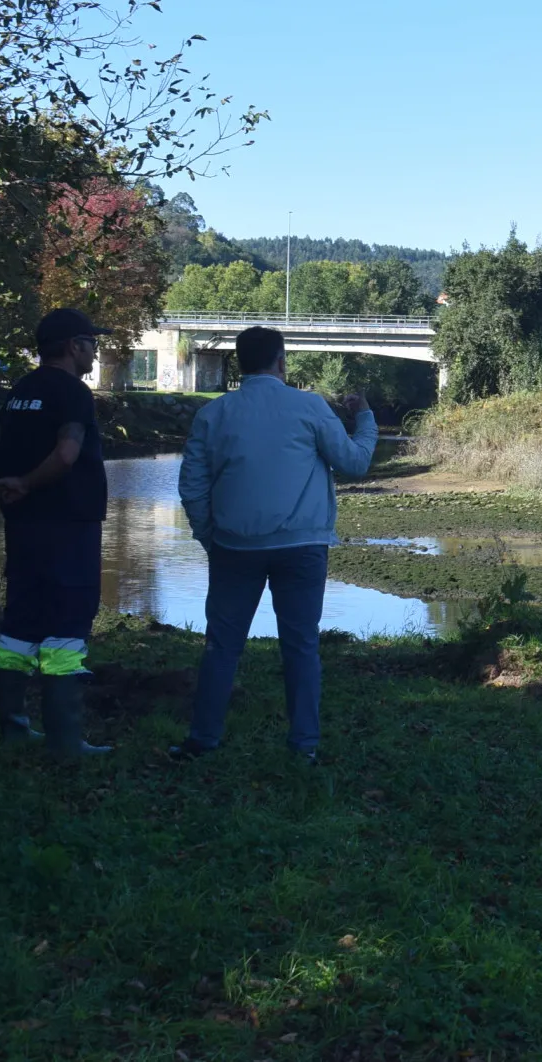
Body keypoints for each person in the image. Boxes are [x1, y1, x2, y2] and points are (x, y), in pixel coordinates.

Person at [172, 325, 377, 763]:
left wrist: (210, 536)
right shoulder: (309, 407)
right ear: (282, 362)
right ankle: (303, 748)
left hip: (233, 546)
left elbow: (191, 486)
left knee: (221, 646)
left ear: (239, 363)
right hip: (302, 547)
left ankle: (202, 741)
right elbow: (355, 463)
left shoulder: (214, 414)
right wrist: (365, 418)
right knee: (301, 645)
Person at [0, 307, 114, 756]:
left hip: (23, 525)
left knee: (20, 619)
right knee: (67, 622)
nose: (95, 351)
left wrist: (8, 484)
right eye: (91, 342)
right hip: (69, 525)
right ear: (72, 346)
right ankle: (65, 742)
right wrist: (25, 482)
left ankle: (15, 727)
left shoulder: (22, 389)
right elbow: (66, 453)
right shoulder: (73, 392)